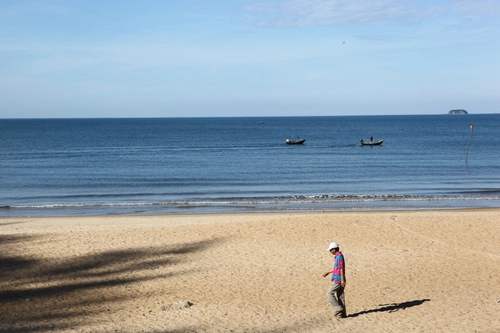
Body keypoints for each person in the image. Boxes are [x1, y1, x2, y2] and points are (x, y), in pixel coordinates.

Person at [322, 242, 346, 318]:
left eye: (330, 250)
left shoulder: (339, 257)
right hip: (339, 278)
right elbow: (337, 268)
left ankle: (338, 308)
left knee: (329, 293)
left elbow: (342, 268)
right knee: (340, 296)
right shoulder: (338, 256)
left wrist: (342, 280)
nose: (330, 252)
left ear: (334, 249)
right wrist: (328, 272)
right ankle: (342, 314)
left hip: (338, 279)